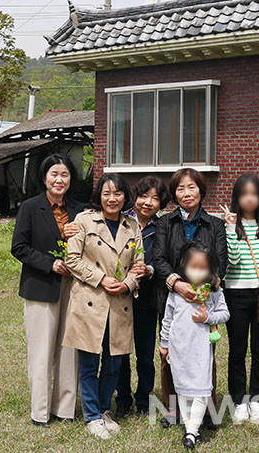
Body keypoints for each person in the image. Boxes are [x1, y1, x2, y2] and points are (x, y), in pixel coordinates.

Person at [62, 173, 148, 440]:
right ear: (99, 195)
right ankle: (91, 416)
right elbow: (72, 259)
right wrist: (101, 278)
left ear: (125, 196)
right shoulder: (84, 221)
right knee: (90, 361)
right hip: (91, 300)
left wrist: (128, 283)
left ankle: (102, 410)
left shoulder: (133, 226)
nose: (112, 198)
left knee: (114, 363)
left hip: (120, 301)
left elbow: (140, 265)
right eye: (107, 193)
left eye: (118, 193)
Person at [10, 154, 85, 427]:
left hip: (74, 288)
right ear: (44, 177)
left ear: (70, 179)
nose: (59, 180)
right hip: (41, 286)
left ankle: (65, 409)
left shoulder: (81, 210)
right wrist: (50, 263)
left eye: (64, 175)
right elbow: (19, 247)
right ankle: (40, 412)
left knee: (68, 350)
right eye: (54, 174)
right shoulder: (30, 207)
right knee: (41, 351)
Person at [153, 168, 228, 429]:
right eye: (180, 189)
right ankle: (174, 410)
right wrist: (177, 284)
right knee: (170, 353)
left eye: (191, 187)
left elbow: (220, 260)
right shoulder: (165, 223)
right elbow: (159, 259)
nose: (186, 193)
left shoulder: (215, 224)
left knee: (204, 355)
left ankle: (207, 411)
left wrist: (206, 288)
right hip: (173, 298)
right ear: (174, 193)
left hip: (203, 301)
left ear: (201, 190)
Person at [219, 174, 259, 424]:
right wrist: (232, 228)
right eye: (244, 194)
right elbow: (231, 262)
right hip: (235, 294)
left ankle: (257, 398)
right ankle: (238, 400)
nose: (249, 198)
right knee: (237, 350)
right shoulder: (230, 227)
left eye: (254, 193)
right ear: (236, 197)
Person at [159, 241, 230, 450]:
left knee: (200, 389)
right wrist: (164, 344)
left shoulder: (214, 292)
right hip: (179, 348)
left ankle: (191, 432)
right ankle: (192, 427)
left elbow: (225, 313)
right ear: (183, 266)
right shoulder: (176, 293)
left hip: (200, 348)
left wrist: (208, 317)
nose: (197, 271)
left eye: (203, 268)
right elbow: (167, 320)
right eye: (193, 266)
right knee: (182, 388)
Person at [115, 176, 170, 418]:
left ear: (162, 204)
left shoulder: (162, 228)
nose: (147, 202)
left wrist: (150, 270)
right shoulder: (121, 221)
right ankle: (123, 398)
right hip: (119, 296)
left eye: (155, 198)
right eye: (143, 196)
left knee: (145, 354)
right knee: (121, 351)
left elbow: (164, 258)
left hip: (147, 298)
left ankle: (144, 399)